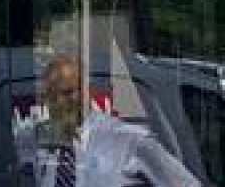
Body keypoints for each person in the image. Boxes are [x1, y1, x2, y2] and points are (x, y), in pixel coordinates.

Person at [14, 55, 199, 187]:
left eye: (68, 92)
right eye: (51, 96)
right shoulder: (37, 138)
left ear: (86, 91)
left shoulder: (128, 140)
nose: (60, 102)